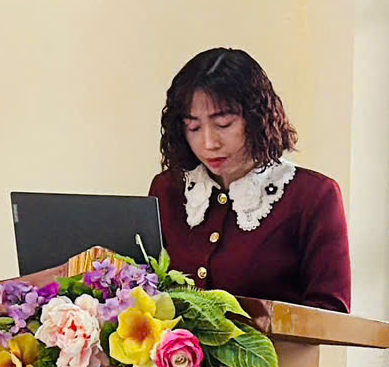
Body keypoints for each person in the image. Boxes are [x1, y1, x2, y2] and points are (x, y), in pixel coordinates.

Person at [148, 47, 349, 310]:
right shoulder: (168, 190)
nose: (209, 143)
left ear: (257, 118)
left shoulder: (313, 196)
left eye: (224, 124)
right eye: (193, 127)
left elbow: (331, 312)